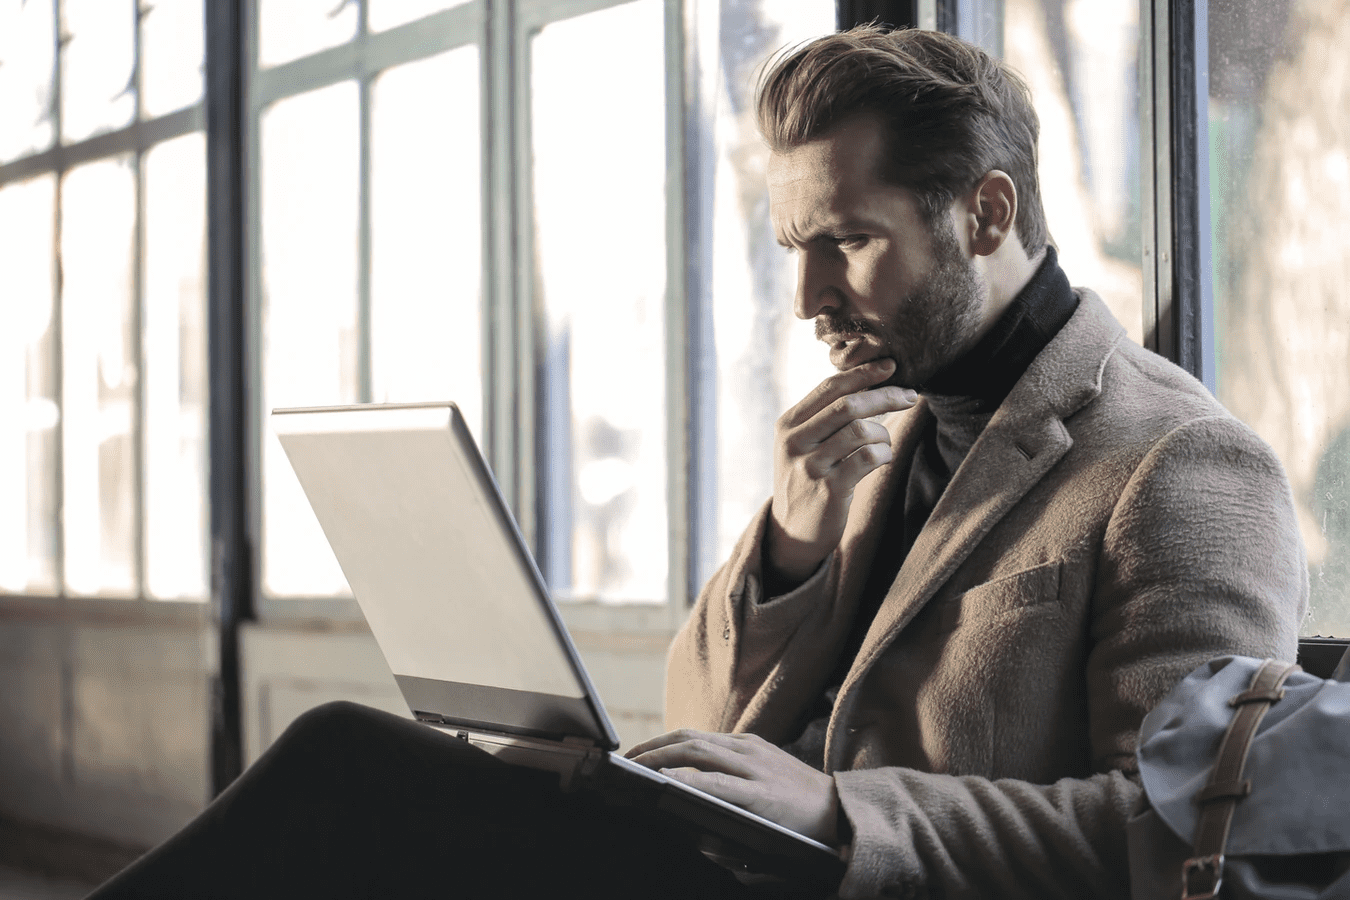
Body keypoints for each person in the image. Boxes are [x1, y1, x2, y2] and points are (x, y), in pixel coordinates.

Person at [86, 25, 1305, 900]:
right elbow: (698, 721)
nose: (808, 297)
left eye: (846, 242)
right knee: (355, 768)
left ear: (986, 216)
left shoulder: (1181, 463)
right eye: (794, 247)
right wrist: (785, 550)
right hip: (721, 863)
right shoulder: (873, 424)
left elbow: (1183, 835)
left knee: (351, 784)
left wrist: (838, 815)